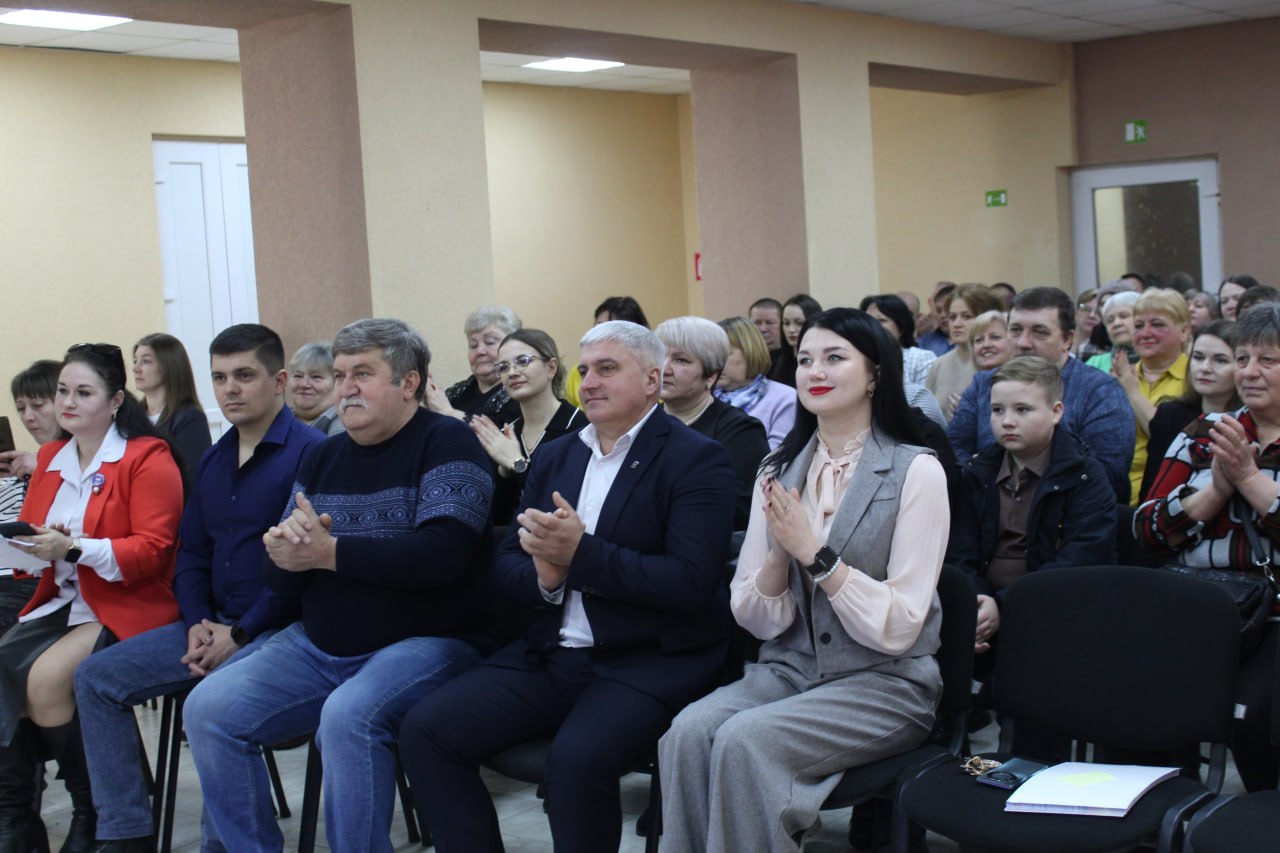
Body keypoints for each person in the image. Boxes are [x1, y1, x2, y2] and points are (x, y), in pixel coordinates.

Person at [398, 320, 736, 853]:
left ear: (652, 379)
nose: (589, 382)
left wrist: (581, 555)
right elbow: (506, 562)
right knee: (426, 731)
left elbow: (690, 582)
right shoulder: (559, 455)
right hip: (551, 652)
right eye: (584, 370)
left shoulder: (696, 458)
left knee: (574, 764)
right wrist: (546, 579)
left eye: (607, 368)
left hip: (646, 659)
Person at [183, 318, 495, 853]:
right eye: (341, 374)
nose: (345, 387)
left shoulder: (449, 443)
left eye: (362, 374)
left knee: (347, 717)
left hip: (428, 641)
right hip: (318, 643)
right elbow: (284, 576)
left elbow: (444, 556)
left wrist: (330, 554)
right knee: (207, 709)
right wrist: (283, 553)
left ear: (409, 383)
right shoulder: (324, 455)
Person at [657, 307, 949, 851]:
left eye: (835, 358)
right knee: (687, 734)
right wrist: (778, 556)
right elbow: (755, 615)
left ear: (875, 374)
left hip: (885, 682)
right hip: (790, 669)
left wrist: (815, 554)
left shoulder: (916, 469)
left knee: (744, 740)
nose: (815, 371)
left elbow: (902, 623)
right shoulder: (777, 468)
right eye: (806, 359)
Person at [74, 324, 323, 852]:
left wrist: (240, 632)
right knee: (95, 677)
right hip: (212, 625)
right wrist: (196, 623)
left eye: (244, 375)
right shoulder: (213, 458)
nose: (230, 388)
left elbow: (300, 570)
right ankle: (126, 833)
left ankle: (227, 845)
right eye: (219, 377)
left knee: (210, 704)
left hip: (281, 630)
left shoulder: (313, 453)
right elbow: (191, 553)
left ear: (279, 381)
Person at [0, 343, 183, 852]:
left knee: (45, 681)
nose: (67, 402)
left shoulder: (147, 457)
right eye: (63, 391)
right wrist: (33, 544)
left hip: (130, 602)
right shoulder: (52, 458)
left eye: (83, 392)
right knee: (2, 669)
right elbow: (35, 535)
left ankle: (96, 812)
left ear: (116, 400)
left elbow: (153, 550)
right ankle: (19, 819)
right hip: (63, 598)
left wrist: (74, 547)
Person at [1137, 302, 1280, 793]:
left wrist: (1247, 477)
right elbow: (1146, 531)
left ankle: (1260, 814)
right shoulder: (1202, 434)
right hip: (1195, 605)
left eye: (1268, 360)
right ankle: (1164, 808)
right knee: (1130, 693)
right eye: (1242, 359)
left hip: (1272, 615)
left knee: (1252, 713)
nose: (1249, 372)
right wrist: (1213, 493)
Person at [947, 356, 1116, 659]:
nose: (1007, 421)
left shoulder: (1085, 476)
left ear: (1056, 412)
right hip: (981, 604)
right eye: (997, 410)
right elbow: (960, 549)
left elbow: (1081, 558)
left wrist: (1005, 604)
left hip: (1054, 609)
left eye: (1022, 409)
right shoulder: (977, 472)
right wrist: (978, 599)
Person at [949, 286, 1135, 502]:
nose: (1023, 343)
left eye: (1039, 332)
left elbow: (1109, 475)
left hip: (1069, 513)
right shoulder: (983, 384)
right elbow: (954, 451)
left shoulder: (1100, 391)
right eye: (1015, 330)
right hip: (988, 506)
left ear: (1067, 339)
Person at [657, 316, 770, 531]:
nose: (665, 368)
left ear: (711, 376)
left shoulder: (741, 431)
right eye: (660, 356)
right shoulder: (643, 421)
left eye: (681, 360)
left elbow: (737, 512)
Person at [470, 328, 585, 525]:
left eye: (523, 361)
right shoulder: (507, 434)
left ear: (551, 368)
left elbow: (558, 504)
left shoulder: (580, 428)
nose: (512, 373)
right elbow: (496, 516)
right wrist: (504, 473)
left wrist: (517, 463)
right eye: (503, 367)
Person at [1139, 319, 1238, 502]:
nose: (1205, 368)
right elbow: (1149, 496)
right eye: (1198, 357)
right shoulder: (1169, 415)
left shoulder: (1251, 420)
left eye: (1220, 360)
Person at [1111, 289, 1191, 505]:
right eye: (1138, 326)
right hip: (1113, 497)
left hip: (1166, 499)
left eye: (1157, 324)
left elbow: (1173, 441)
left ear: (1184, 332)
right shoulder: (1119, 376)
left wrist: (1131, 392)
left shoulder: (1195, 381)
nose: (1145, 333)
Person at [0, 361, 62, 637]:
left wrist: (41, 468)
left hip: (33, 580)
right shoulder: (19, 474)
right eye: (21, 408)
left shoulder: (84, 462)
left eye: (37, 405)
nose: (28, 417)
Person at [132, 333, 211, 492]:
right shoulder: (132, 416)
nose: (136, 369)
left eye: (146, 361)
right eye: (135, 361)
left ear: (169, 366)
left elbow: (193, 479)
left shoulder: (190, 418)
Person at [426, 305, 522, 424]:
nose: (479, 351)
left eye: (490, 342)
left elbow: (497, 432)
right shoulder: (459, 392)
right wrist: (426, 395)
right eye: (473, 345)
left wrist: (448, 412)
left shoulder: (519, 392)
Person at [716, 316, 797, 450]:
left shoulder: (785, 398)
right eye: (712, 354)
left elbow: (777, 454)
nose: (715, 361)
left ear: (750, 352)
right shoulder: (704, 397)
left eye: (725, 353)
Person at [925, 284, 1003, 421]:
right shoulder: (939, 364)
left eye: (967, 316)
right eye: (952, 317)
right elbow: (926, 415)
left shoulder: (999, 362)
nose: (957, 324)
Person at [564, 295, 651, 409]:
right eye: (599, 327)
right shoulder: (578, 372)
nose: (603, 334)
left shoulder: (649, 372)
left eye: (613, 329)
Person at [860, 294, 937, 386]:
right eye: (869, 320)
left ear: (901, 328)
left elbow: (926, 394)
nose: (873, 326)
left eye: (881, 320)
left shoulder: (920, 358)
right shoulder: (860, 359)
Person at [287, 341, 344, 435]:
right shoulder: (277, 419)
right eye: (298, 376)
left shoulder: (342, 424)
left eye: (316, 377)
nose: (304, 384)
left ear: (336, 382)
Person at [769, 294, 822, 388]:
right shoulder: (774, 363)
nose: (791, 330)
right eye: (786, 323)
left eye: (799, 323)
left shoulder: (821, 363)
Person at [1085, 290, 1140, 373]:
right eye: (1110, 320)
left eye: (1124, 316)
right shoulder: (1094, 364)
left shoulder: (1157, 360)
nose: (1116, 323)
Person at [917, 282, 956, 356]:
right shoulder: (925, 341)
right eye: (939, 311)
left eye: (947, 309)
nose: (943, 315)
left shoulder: (973, 341)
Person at [749, 297, 785, 377]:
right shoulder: (744, 360)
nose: (763, 329)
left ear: (783, 324)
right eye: (757, 323)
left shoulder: (791, 361)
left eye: (770, 322)